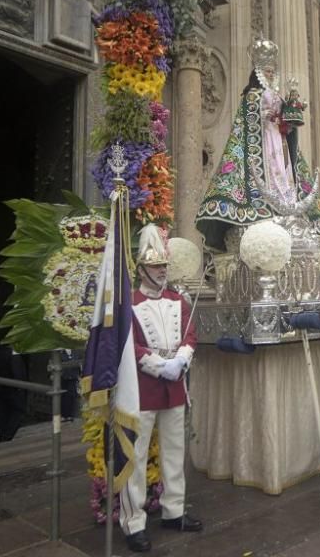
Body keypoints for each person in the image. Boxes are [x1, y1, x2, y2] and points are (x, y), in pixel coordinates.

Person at [196, 36, 320, 252]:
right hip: (262, 140)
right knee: (269, 166)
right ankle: (263, 204)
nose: (269, 74)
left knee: (284, 167)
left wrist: (291, 110)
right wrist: (264, 114)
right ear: (258, 72)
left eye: (271, 71)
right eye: (266, 71)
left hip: (279, 138)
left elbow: (289, 117)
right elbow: (248, 120)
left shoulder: (278, 95)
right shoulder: (252, 96)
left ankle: (286, 200)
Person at [120, 225, 201, 552]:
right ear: (142, 269)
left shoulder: (177, 300)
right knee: (135, 458)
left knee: (175, 453)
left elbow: (190, 334)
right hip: (142, 388)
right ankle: (133, 522)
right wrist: (158, 365)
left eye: (164, 266)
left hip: (175, 386)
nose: (162, 271)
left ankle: (174, 511)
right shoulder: (131, 303)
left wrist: (181, 359)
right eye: (156, 266)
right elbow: (130, 346)